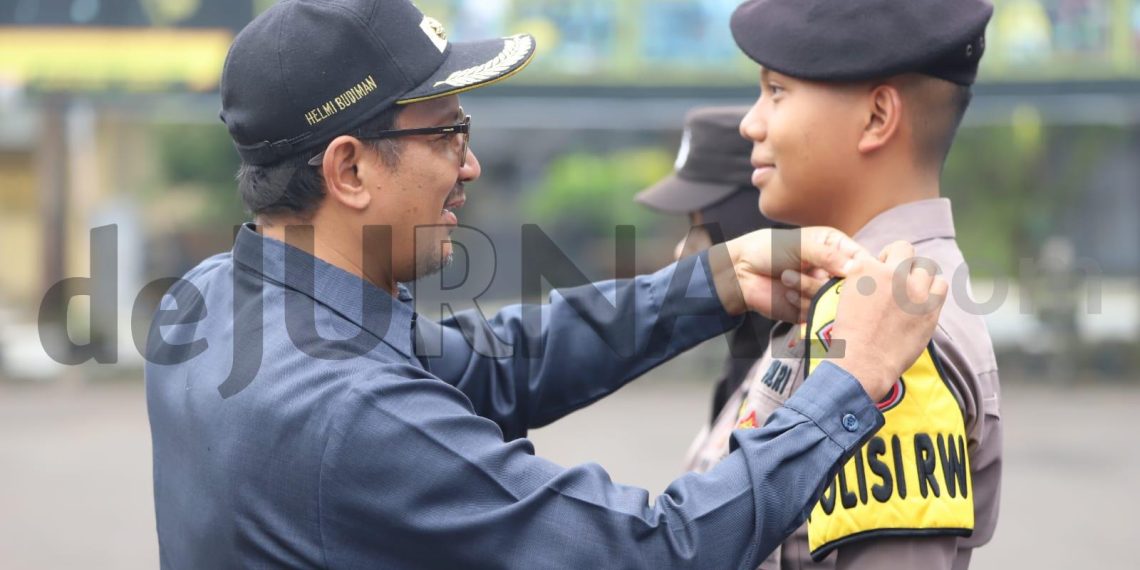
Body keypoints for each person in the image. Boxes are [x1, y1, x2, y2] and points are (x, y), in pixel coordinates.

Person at [144, 1, 949, 567]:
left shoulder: (211, 302)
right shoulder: (353, 414)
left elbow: (493, 363)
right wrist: (849, 383)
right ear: (348, 168)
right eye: (448, 132)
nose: (470, 164)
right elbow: (649, 552)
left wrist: (720, 279)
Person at [686, 1, 1003, 569]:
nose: (750, 122)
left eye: (777, 91)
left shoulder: (896, 329)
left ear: (878, 118)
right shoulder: (853, 291)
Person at [635, 106, 789, 422]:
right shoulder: (749, 353)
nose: (681, 251)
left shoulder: (803, 359)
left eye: (702, 223)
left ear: (752, 217)